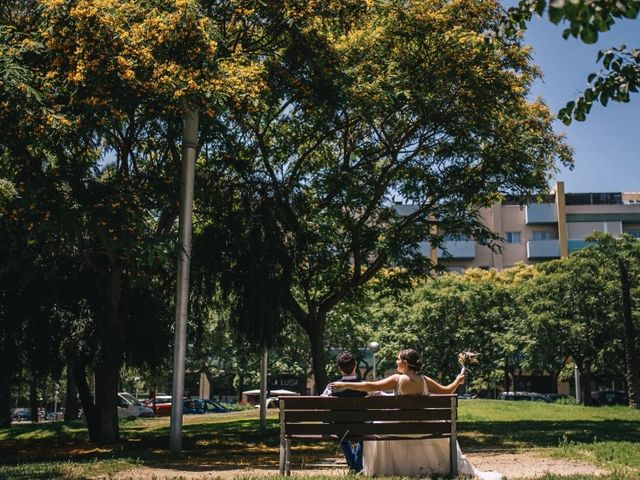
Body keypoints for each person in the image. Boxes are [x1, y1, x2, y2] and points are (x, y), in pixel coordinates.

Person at [329, 348, 503, 480]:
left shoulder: (397, 379)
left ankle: (383, 471)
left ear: (405, 363)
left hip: (398, 430)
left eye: (398, 359)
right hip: (424, 429)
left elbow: (371, 387)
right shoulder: (425, 380)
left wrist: (345, 385)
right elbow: (448, 391)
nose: (396, 362)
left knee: (373, 428)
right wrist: (458, 380)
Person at [321, 351, 367, 473]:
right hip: (361, 427)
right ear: (355, 365)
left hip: (340, 428)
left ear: (339, 368)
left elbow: (320, 405)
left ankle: (353, 468)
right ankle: (356, 466)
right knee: (367, 427)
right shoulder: (365, 385)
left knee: (339, 428)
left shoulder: (331, 387)